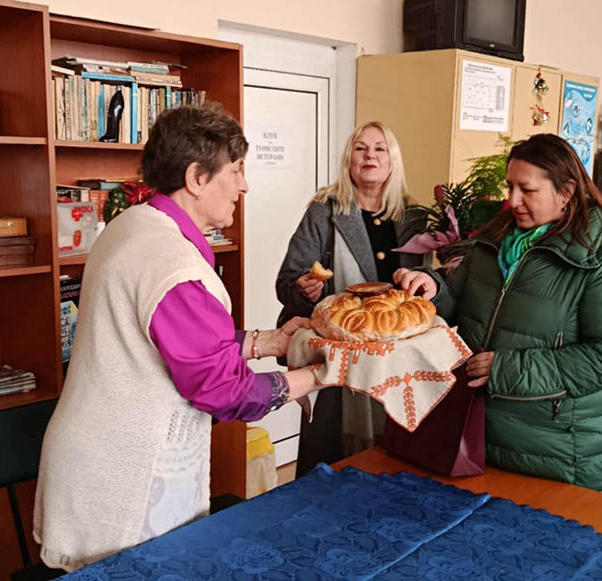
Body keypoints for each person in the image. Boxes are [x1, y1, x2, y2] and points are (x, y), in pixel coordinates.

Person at [33, 104, 323, 572]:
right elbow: (225, 392)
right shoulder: (172, 262)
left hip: (96, 457)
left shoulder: (135, 223)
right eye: (236, 170)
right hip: (123, 478)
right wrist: (320, 375)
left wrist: (268, 342)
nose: (244, 185)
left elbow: (178, 341)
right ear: (196, 178)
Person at [396, 133, 602, 491]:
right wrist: (431, 288)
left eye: (527, 190)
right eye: (510, 187)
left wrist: (506, 369)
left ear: (566, 192)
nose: (512, 201)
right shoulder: (491, 244)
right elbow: (457, 304)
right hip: (479, 439)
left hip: (559, 453)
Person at [275, 121, 422, 476]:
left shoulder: (413, 216)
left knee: (394, 466)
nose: (370, 155)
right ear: (349, 159)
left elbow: (426, 282)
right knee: (332, 467)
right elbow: (287, 281)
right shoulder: (323, 211)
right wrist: (304, 288)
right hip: (339, 361)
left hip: (396, 363)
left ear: (392, 159)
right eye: (360, 148)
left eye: (380, 148)